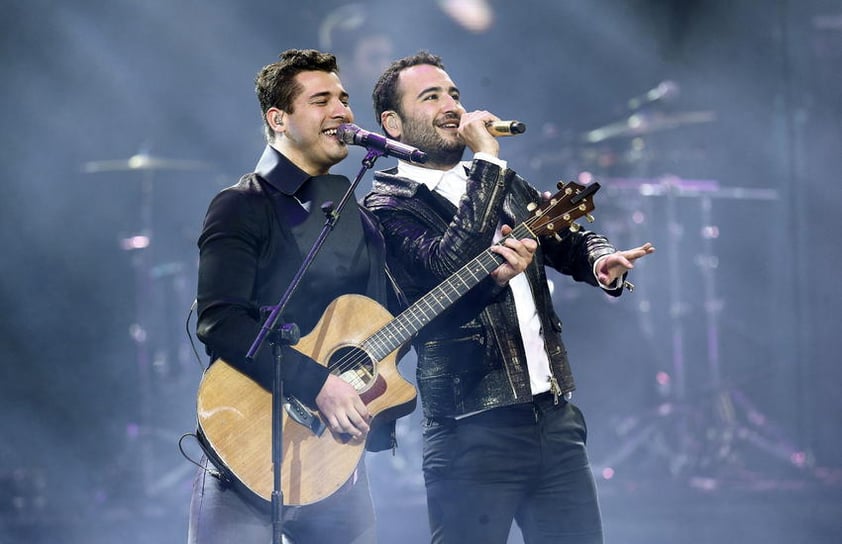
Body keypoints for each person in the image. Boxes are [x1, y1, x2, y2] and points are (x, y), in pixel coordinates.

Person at [363, 51, 655, 544]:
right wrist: (487, 162)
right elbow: (446, 265)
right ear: (392, 123)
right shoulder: (388, 205)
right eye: (431, 96)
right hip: (469, 432)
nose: (452, 105)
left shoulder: (497, 180)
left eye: (454, 94)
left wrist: (600, 261)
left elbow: (565, 234)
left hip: (555, 421)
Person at [187, 48, 388, 544]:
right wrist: (315, 382)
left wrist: (487, 269)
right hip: (248, 455)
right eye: (322, 100)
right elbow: (219, 320)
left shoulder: (354, 213)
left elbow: (385, 317)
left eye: (344, 98)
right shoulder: (240, 205)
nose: (342, 110)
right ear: (278, 119)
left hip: (333, 461)